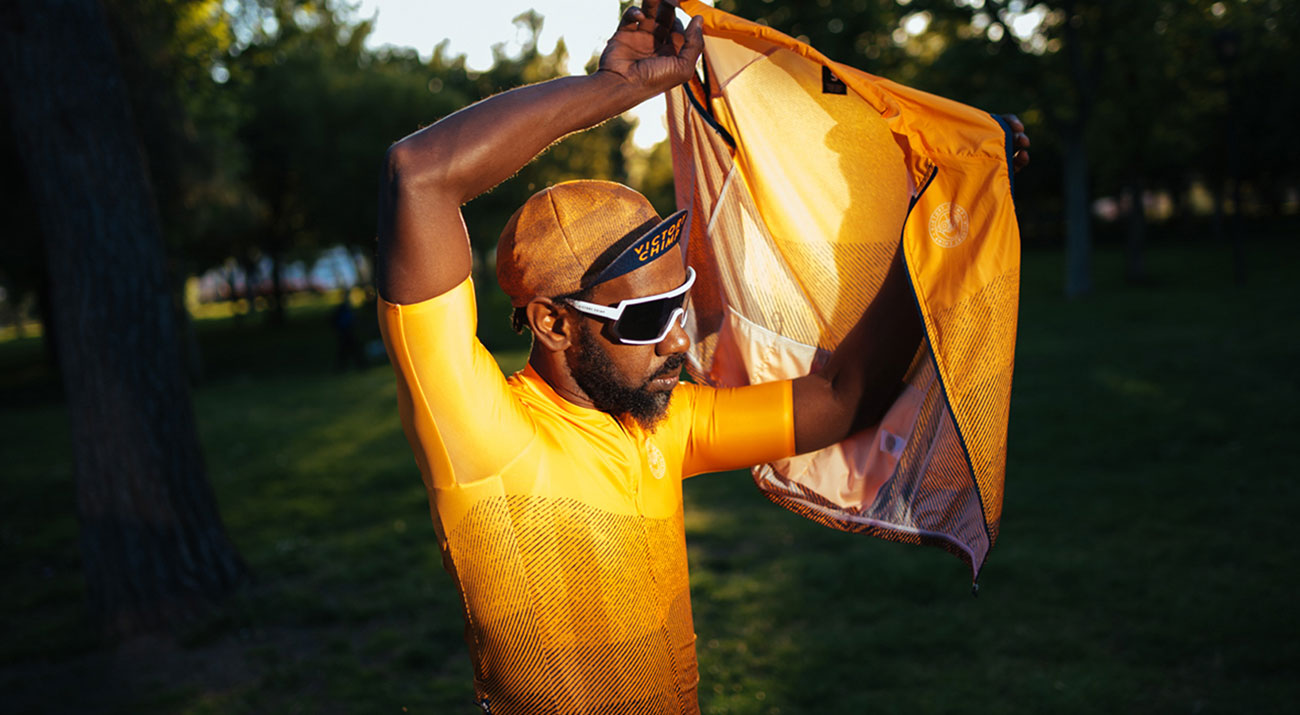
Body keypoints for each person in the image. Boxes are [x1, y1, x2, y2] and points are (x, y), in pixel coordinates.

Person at [376, 1, 1028, 712]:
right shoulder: (480, 435)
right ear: (553, 324)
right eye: (648, 318)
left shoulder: (660, 422)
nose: (680, 340)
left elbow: (843, 398)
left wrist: (944, 204)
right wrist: (615, 89)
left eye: (679, 304)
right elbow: (419, 172)